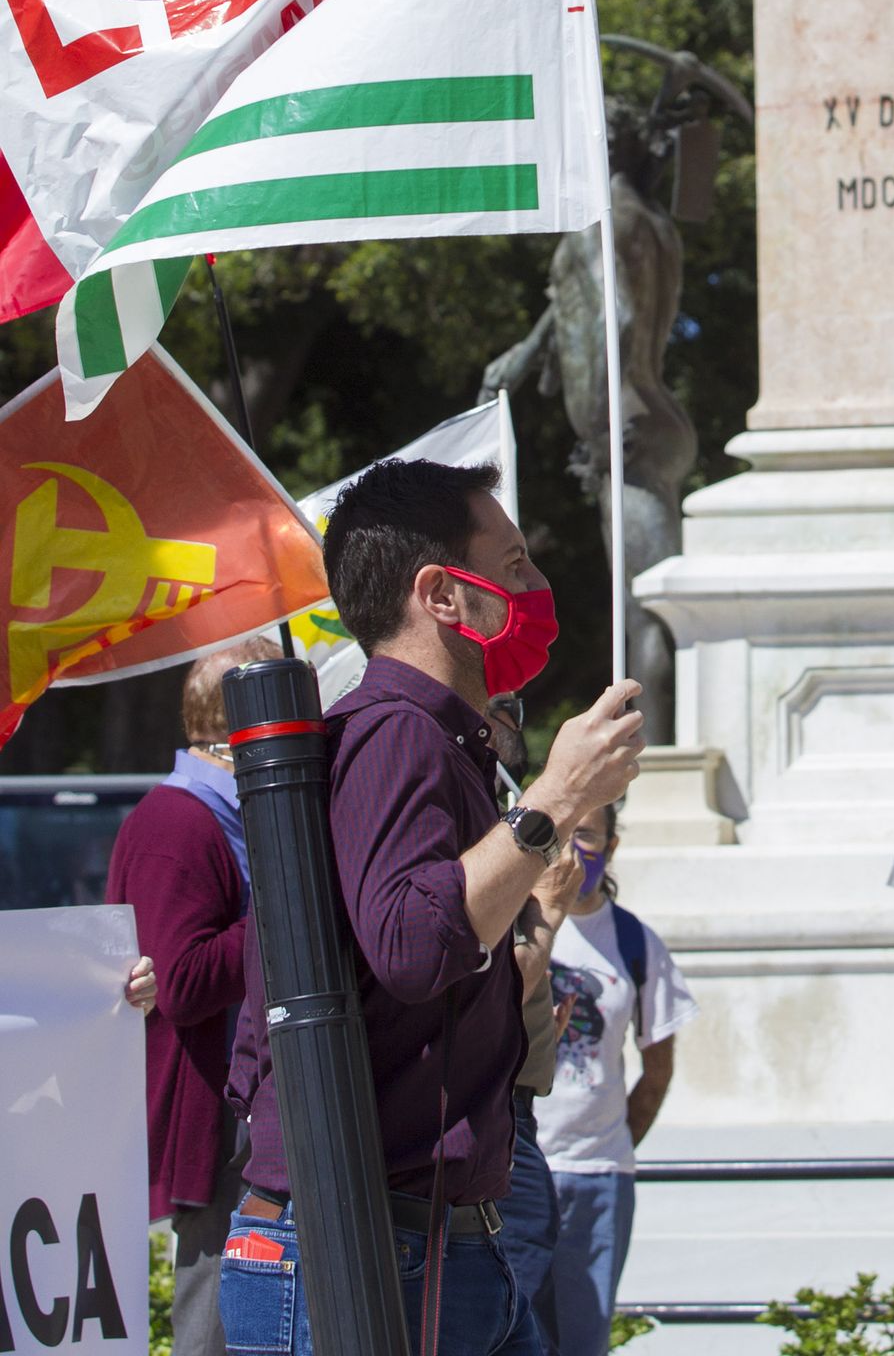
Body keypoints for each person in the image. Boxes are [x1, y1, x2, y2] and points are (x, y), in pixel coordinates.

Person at [221, 459, 644, 1356]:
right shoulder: (396, 733)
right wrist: (556, 798)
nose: (535, 585)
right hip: (368, 1254)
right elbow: (414, 946)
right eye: (514, 562)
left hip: (438, 1245)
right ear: (443, 594)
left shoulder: (435, 741)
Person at [106, 635, 280, 1356]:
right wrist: (286, 914)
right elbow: (180, 982)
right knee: (214, 1305)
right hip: (213, 1115)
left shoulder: (224, 811)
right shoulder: (179, 823)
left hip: (243, 1103)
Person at [539, 804, 697, 1356]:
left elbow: (659, 1070)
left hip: (597, 1175)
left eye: (585, 834)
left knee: (583, 1340)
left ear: (611, 845)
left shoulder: (636, 943)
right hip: (510, 1179)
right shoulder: (514, 923)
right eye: (559, 832)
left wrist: (613, 1140)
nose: (570, 847)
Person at [488, 688, 581, 1353]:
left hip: (511, 1110)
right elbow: (493, 976)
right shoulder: (484, 829)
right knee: (509, 1321)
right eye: (501, 708)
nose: (513, 725)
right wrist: (548, 908)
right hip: (495, 1117)